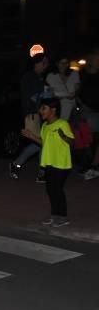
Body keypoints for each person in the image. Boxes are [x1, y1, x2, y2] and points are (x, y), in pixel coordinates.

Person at [20, 98, 74, 228]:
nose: (40, 111)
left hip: (61, 164)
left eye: (43, 108)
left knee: (57, 190)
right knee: (50, 190)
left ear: (53, 110)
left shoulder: (62, 123)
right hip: (49, 162)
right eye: (40, 108)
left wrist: (63, 136)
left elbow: (72, 142)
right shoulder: (45, 126)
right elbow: (44, 143)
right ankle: (55, 215)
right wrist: (31, 136)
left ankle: (63, 217)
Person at [10, 54, 49, 181]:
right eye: (43, 63)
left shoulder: (37, 77)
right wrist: (48, 94)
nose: (45, 65)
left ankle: (39, 171)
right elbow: (33, 97)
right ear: (36, 63)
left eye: (46, 63)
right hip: (31, 115)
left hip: (38, 115)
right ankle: (19, 165)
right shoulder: (30, 77)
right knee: (40, 143)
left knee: (40, 143)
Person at [78, 49, 99, 180]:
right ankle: (89, 165)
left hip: (96, 110)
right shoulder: (82, 75)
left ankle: (94, 166)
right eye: (97, 59)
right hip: (87, 110)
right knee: (87, 140)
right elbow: (78, 91)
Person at [46, 57, 80, 122]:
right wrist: (66, 95)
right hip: (59, 108)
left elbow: (77, 90)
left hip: (74, 108)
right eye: (61, 63)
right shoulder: (51, 76)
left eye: (66, 63)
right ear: (57, 64)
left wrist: (74, 94)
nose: (64, 65)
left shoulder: (74, 74)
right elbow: (49, 93)